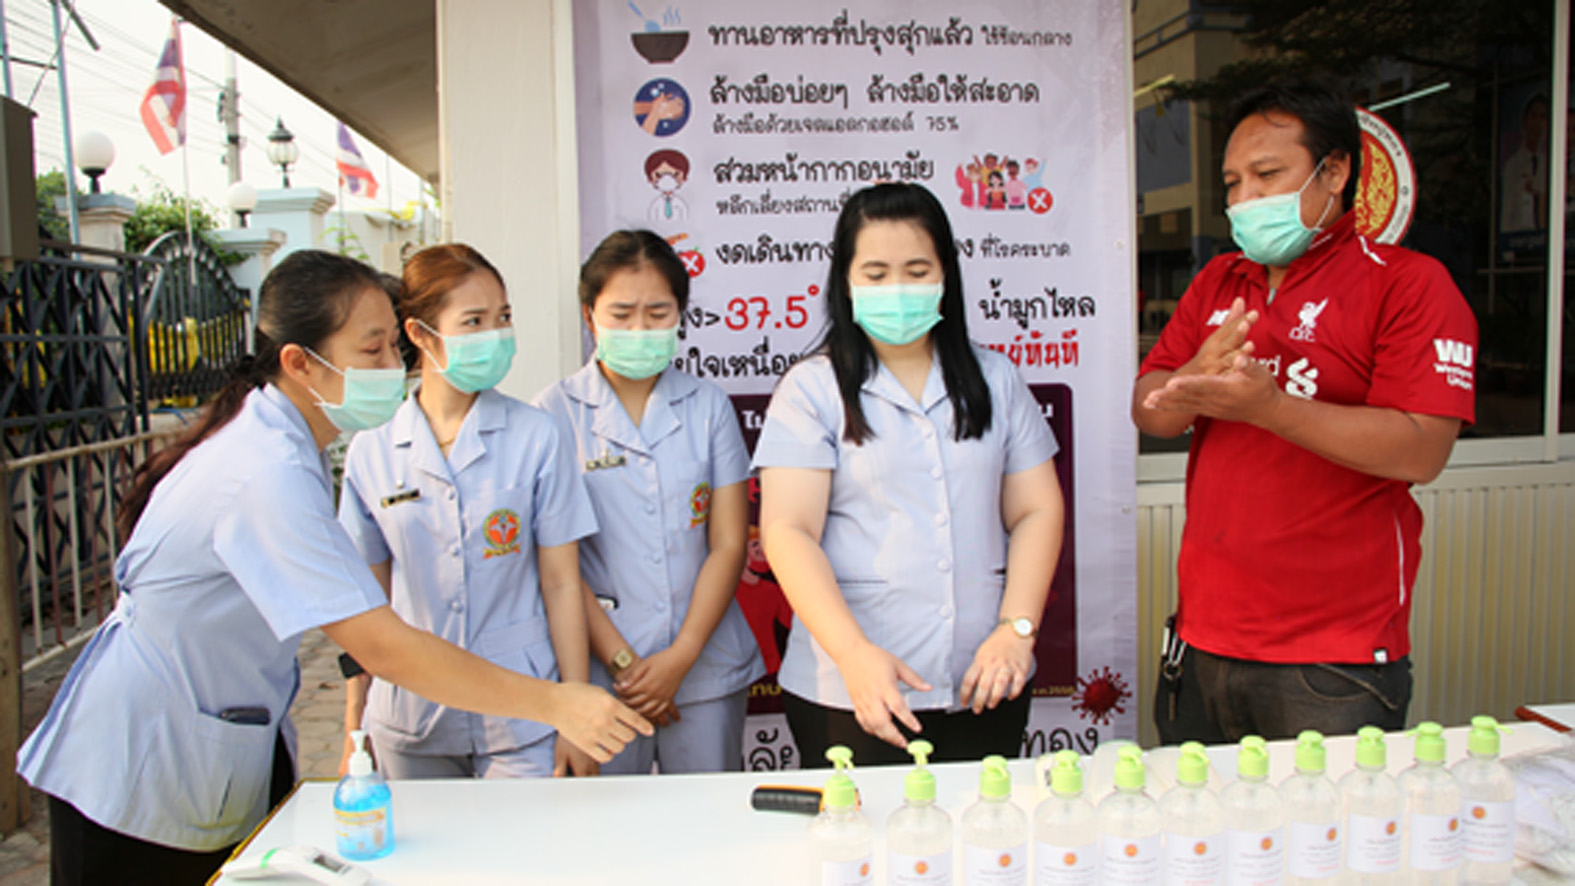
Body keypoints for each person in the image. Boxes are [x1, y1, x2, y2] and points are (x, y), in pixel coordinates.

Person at [15, 250, 650, 886]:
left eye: (391, 348)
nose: (392, 367)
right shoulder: (267, 472)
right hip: (144, 763)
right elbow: (382, 643)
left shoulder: (292, 445)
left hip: (210, 744)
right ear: (300, 363)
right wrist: (556, 703)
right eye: (372, 350)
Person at [1132, 78, 1478, 744]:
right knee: (1196, 814)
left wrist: (1270, 407)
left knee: (1323, 815)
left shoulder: (1406, 283)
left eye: (1267, 176)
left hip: (1332, 659)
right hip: (1202, 639)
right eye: (1232, 183)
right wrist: (1189, 379)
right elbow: (1151, 412)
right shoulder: (1217, 280)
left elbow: (1420, 449)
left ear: (1335, 172)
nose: (1244, 199)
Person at [753, 182, 1065, 766]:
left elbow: (1037, 509)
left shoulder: (995, 379)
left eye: (917, 271)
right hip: (849, 690)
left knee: (979, 821)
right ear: (846, 282)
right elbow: (789, 531)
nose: (897, 289)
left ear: (946, 275)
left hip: (985, 677)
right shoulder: (811, 389)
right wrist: (852, 653)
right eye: (875, 274)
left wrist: (1016, 629)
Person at [336, 244, 604, 779]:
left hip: (523, 712)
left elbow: (561, 583)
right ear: (420, 334)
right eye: (474, 322)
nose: (496, 335)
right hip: (411, 716)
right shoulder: (373, 449)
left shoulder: (536, 435)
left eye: (503, 318)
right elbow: (365, 606)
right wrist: (353, 728)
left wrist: (574, 711)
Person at [533, 230, 765, 774]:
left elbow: (728, 544)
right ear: (589, 316)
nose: (640, 329)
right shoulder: (552, 414)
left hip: (704, 666)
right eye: (622, 314)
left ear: (680, 315)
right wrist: (626, 664)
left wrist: (681, 656)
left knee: (709, 817)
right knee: (610, 822)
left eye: (658, 313)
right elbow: (559, 567)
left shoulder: (708, 406)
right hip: (602, 679)